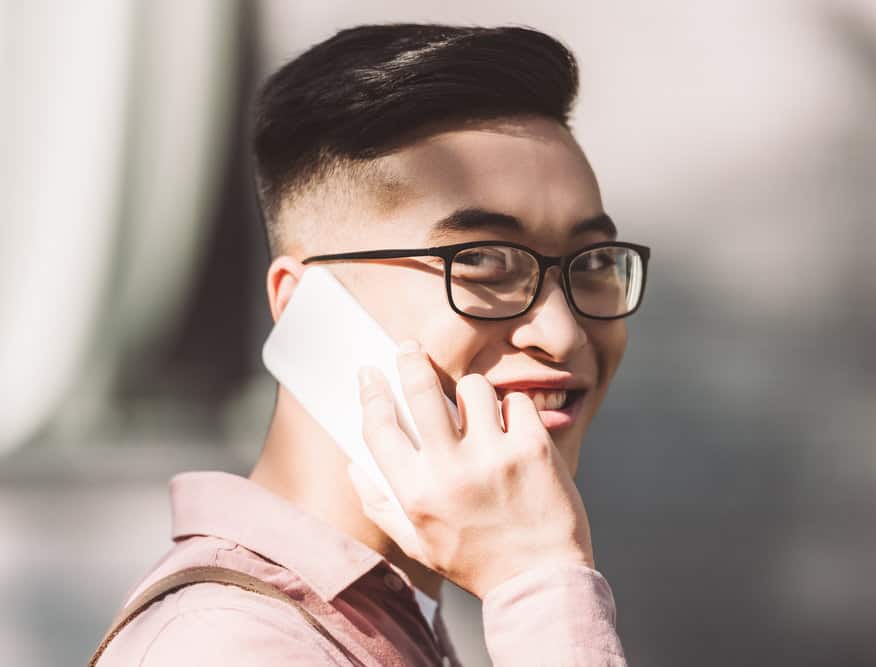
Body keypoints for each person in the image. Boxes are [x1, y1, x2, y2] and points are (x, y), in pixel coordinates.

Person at [91, 22, 648, 666]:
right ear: (302, 305)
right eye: (485, 261)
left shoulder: (382, 615)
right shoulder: (232, 646)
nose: (562, 333)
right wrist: (542, 584)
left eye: (593, 262)